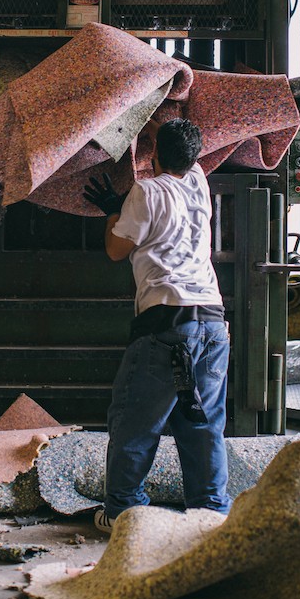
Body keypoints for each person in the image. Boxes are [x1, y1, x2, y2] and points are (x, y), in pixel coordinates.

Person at [83, 117, 231, 534]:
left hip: (166, 321)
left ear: (155, 154)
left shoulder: (146, 191)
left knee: (134, 422)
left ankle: (123, 513)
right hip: (213, 323)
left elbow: (116, 249)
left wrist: (113, 210)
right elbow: (189, 153)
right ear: (196, 157)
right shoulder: (200, 184)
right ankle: (210, 515)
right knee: (203, 425)